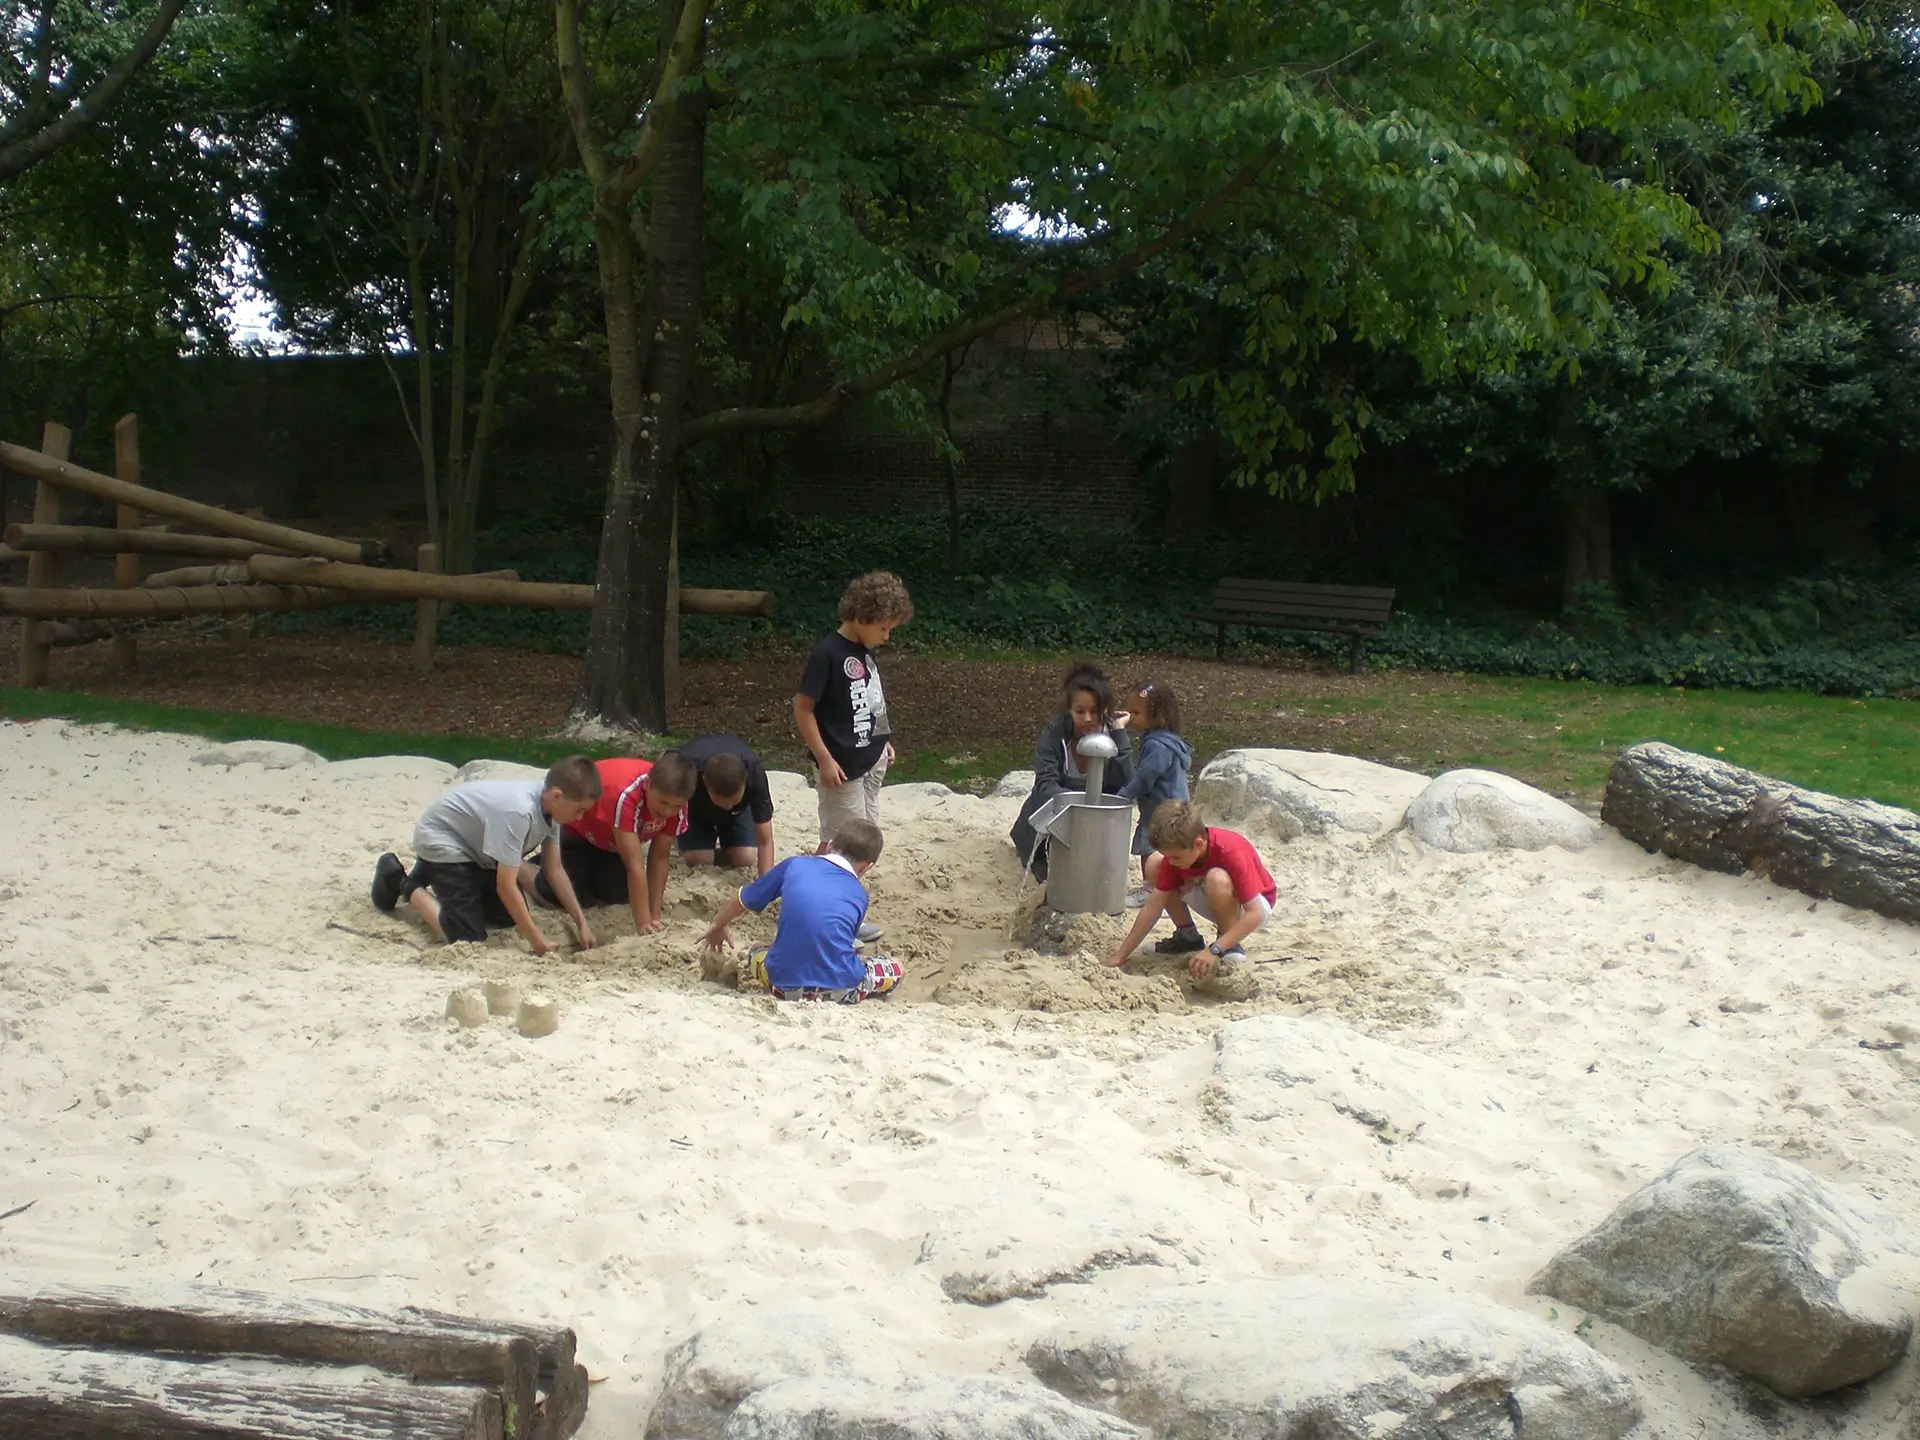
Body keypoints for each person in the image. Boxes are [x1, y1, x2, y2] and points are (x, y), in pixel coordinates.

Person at [371, 756, 601, 955]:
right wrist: (537, 942)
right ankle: (402, 882)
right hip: (443, 839)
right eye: (579, 810)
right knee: (466, 936)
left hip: (478, 848)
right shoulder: (520, 813)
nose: (579, 818)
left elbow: (554, 870)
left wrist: (581, 923)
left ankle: (427, 871)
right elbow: (506, 886)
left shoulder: (552, 809)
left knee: (505, 918)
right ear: (557, 795)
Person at [698, 820, 903, 1003]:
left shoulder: (794, 865)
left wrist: (718, 924)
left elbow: (742, 898)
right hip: (841, 988)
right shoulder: (859, 893)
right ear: (866, 867)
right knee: (895, 968)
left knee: (756, 952)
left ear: (829, 846)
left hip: (783, 986)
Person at [1106, 799, 1274, 997]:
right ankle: (1188, 937)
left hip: (1253, 906)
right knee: (1155, 863)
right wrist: (1120, 956)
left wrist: (1215, 949)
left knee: (1216, 878)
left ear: (1198, 844)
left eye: (1176, 857)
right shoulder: (1179, 856)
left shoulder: (1230, 850)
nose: (1171, 862)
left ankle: (1228, 945)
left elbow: (1257, 913)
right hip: (1212, 895)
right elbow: (1153, 906)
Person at [794, 569, 912, 844]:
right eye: (883, 628)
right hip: (841, 766)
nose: (887, 637)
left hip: (872, 757)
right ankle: (816, 873)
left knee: (865, 834)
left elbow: (869, 696)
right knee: (841, 840)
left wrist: (881, 737)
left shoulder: (865, 647)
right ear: (861, 617)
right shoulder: (827, 655)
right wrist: (824, 759)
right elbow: (803, 709)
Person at [536, 751, 697, 936]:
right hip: (578, 829)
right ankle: (529, 868)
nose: (668, 811)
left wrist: (655, 917)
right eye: (663, 802)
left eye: (676, 806)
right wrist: (643, 925)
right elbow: (634, 865)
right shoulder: (626, 796)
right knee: (559, 895)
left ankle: (555, 863)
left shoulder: (678, 804)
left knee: (618, 894)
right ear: (647, 785)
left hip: (611, 843)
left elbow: (660, 856)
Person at [1010, 662, 1135, 882]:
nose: (1087, 718)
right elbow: (1045, 784)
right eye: (1080, 711)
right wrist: (1078, 808)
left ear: (1105, 709)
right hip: (1055, 816)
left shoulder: (1112, 735)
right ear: (1069, 709)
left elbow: (1129, 784)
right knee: (1053, 876)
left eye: (1094, 711)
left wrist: (1120, 734)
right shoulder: (1055, 733)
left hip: (1097, 824)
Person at [1115, 680, 1192, 908]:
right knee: (1169, 849)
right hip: (1174, 805)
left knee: (1150, 847)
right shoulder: (1167, 740)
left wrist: (1124, 795)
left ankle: (1151, 889)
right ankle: (1169, 890)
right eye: (1130, 711)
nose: (1132, 717)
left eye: (1137, 713)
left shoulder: (1157, 746)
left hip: (1161, 809)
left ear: (1159, 716)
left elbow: (1145, 777)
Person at [676, 733, 776, 875]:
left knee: (745, 857)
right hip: (696, 809)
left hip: (737, 813)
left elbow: (765, 839)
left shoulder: (755, 774)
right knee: (699, 859)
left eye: (732, 802)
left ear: (745, 782)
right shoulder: (687, 768)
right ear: (705, 782)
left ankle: (727, 841)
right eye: (722, 803)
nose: (727, 807)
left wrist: (766, 881)